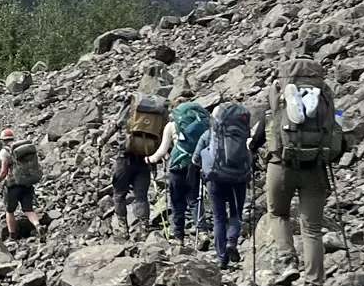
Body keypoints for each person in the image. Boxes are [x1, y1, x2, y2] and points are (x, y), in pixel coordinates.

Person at [252, 56, 346, 286]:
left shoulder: (277, 92)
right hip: (314, 167)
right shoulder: (326, 96)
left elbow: (264, 129)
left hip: (280, 166)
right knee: (312, 228)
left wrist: (252, 147)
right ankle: (314, 283)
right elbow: (340, 139)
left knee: (278, 214)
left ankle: (288, 262)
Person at [194, 99, 254, 271]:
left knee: (219, 218)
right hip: (238, 178)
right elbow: (252, 151)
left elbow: (195, 158)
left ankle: (222, 259)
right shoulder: (244, 132)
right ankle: (232, 241)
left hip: (215, 177)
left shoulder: (209, 134)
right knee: (236, 213)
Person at [106, 78, 168, 239]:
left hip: (125, 156)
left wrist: (101, 140)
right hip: (146, 158)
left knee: (119, 193)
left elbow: (116, 125)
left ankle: (123, 229)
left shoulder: (129, 108)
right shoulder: (157, 114)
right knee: (141, 195)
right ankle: (144, 229)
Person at [149, 93, 212, 249]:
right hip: (196, 166)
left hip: (177, 169)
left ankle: (179, 238)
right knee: (195, 200)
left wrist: (150, 159)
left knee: (177, 203)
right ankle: (203, 232)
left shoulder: (171, 126)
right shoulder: (200, 122)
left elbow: (162, 151)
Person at [0, 128, 44, 240]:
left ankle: (12, 235)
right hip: (27, 183)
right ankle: (38, 226)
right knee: (28, 210)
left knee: (9, 210)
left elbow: (4, 172)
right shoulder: (21, 149)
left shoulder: (5, 151)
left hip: (13, 185)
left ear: (3, 140)